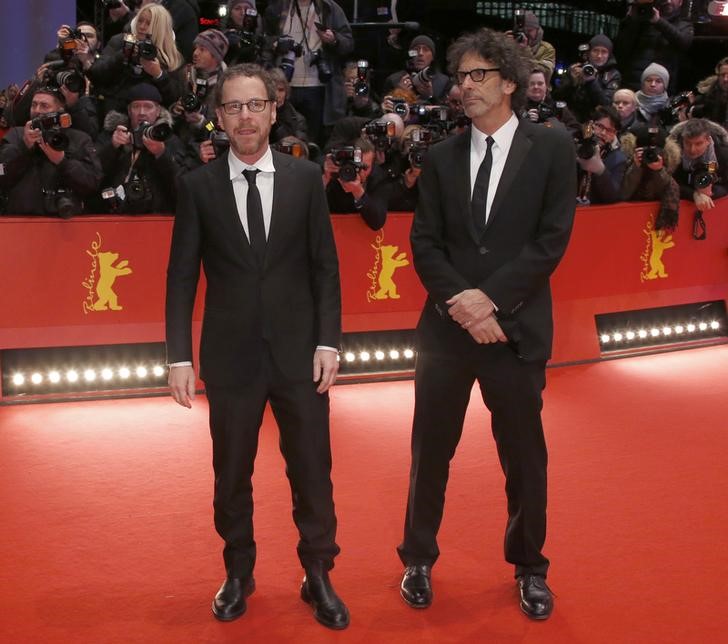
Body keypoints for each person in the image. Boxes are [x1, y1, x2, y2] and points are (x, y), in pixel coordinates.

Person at [396, 27, 576, 620]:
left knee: (525, 457)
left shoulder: (551, 148)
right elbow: (425, 243)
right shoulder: (442, 156)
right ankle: (417, 559)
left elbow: (550, 242)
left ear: (508, 83)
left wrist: (491, 303)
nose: (464, 87)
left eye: (477, 76)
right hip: (448, 332)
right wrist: (464, 306)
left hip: (515, 332)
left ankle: (530, 567)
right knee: (431, 451)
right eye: (461, 76)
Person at [165, 63, 349, 630]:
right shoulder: (197, 187)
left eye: (254, 105)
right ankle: (238, 571)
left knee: (313, 469)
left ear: (274, 109)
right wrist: (177, 356)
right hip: (231, 356)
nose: (244, 117)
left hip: (299, 354)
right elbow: (181, 277)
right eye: (233, 107)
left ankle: (317, 573)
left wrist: (328, 341)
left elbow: (325, 268)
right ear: (219, 117)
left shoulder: (304, 179)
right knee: (231, 471)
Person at [0, 86, 102, 217]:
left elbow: (92, 183)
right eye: (34, 105)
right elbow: (1, 173)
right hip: (19, 222)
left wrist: (62, 162)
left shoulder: (80, 139)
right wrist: (24, 148)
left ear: (59, 111)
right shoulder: (16, 134)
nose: (37, 111)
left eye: (44, 106)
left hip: (64, 224)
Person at [96, 83, 185, 214]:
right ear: (129, 111)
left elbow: (181, 188)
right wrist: (112, 147)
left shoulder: (170, 141)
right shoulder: (115, 135)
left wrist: (161, 154)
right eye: (136, 107)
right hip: (115, 215)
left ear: (158, 111)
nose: (142, 112)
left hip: (157, 216)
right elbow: (92, 178)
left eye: (148, 106)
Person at [614, 0, 693, 94]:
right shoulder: (643, 19)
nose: (668, 1)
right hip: (633, 83)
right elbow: (621, 46)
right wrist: (630, 19)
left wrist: (658, 21)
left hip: (661, 87)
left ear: (680, 2)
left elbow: (683, 42)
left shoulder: (683, 23)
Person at [553, 34, 621, 123]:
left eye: (604, 52)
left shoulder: (613, 75)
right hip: (570, 119)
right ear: (588, 52)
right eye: (595, 51)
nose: (599, 56)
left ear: (609, 55)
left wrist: (591, 81)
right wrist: (571, 82)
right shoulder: (576, 69)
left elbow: (606, 104)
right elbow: (556, 97)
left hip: (596, 122)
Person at [668, 117, 728, 213]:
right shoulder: (672, 155)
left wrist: (711, 191)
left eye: (698, 144)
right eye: (687, 143)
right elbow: (669, 184)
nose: (692, 149)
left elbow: (726, 186)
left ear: (708, 140)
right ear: (682, 140)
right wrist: (694, 194)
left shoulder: (723, 155)